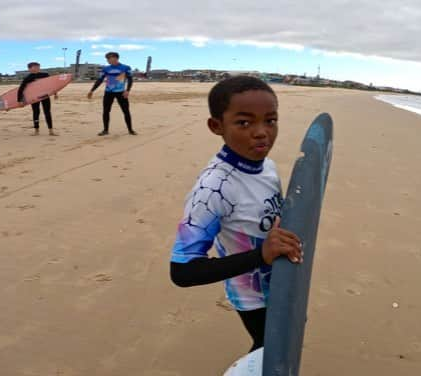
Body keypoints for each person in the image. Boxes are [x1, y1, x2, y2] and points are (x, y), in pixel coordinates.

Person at [169, 76, 302, 352]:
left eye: (270, 120)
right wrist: (261, 255)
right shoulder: (213, 189)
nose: (261, 132)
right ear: (216, 126)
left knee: (282, 343)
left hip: (283, 279)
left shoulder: (268, 167)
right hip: (252, 295)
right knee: (269, 348)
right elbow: (182, 272)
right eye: (244, 122)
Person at [87, 52, 136, 136]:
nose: (107, 60)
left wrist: (127, 90)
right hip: (108, 92)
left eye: (108, 58)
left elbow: (130, 80)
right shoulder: (106, 69)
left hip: (121, 92)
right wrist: (92, 90)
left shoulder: (125, 68)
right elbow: (100, 80)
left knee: (126, 111)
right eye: (107, 58)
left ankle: (130, 130)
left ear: (115, 58)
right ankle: (105, 130)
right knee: (106, 111)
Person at [18, 62, 58, 136]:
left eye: (38, 67)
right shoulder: (28, 78)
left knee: (47, 112)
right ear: (29, 68)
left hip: (45, 96)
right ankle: (36, 130)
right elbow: (21, 89)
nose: (38, 68)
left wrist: (55, 93)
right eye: (35, 67)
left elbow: (51, 85)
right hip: (34, 97)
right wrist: (19, 100)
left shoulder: (45, 75)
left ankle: (51, 130)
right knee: (36, 113)